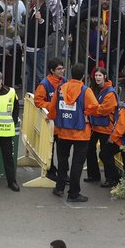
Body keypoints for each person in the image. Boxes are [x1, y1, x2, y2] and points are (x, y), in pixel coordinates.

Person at [47, 63, 100, 202]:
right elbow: (94, 107)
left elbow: (53, 108)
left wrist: (52, 117)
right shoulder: (85, 90)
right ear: (83, 76)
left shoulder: (61, 88)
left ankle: (59, 188)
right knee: (77, 163)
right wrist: (85, 113)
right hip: (81, 133)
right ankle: (73, 193)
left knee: (62, 160)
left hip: (63, 131)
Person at [84, 67, 118, 186]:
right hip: (95, 126)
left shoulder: (110, 92)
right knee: (89, 149)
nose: (97, 77)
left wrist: (91, 110)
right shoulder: (93, 89)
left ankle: (111, 178)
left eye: (100, 75)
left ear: (105, 76)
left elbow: (104, 110)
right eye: (96, 75)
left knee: (105, 154)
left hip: (106, 127)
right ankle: (93, 175)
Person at [32, 58, 65, 183]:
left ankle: (61, 173)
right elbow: (38, 101)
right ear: (52, 71)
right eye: (59, 69)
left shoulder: (65, 82)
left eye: (62, 68)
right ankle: (50, 171)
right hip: (49, 123)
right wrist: (53, 106)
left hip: (62, 124)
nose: (62, 71)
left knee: (62, 152)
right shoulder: (44, 84)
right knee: (49, 150)